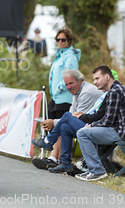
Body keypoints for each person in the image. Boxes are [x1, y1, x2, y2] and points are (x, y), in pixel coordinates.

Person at [75, 65, 125, 181]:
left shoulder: (114, 91)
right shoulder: (120, 88)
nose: (94, 82)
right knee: (88, 132)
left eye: (97, 78)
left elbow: (108, 121)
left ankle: (96, 171)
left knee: (83, 133)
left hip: (123, 133)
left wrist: (91, 125)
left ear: (107, 77)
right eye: (94, 79)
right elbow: (111, 119)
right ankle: (92, 168)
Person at [32, 69, 104, 172]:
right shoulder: (77, 92)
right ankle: (65, 162)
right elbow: (71, 116)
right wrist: (55, 122)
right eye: (66, 84)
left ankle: (48, 141)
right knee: (64, 126)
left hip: (98, 128)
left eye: (71, 83)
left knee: (66, 117)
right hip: (89, 125)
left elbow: (76, 117)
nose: (69, 87)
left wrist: (53, 123)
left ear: (80, 81)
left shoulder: (87, 92)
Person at [45, 26, 81, 163]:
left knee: (60, 127)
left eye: (63, 40)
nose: (60, 42)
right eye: (57, 39)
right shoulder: (60, 55)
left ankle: (55, 157)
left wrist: (60, 87)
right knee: (54, 126)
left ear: (69, 41)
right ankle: (55, 157)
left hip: (64, 97)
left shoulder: (70, 56)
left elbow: (71, 75)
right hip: (56, 98)